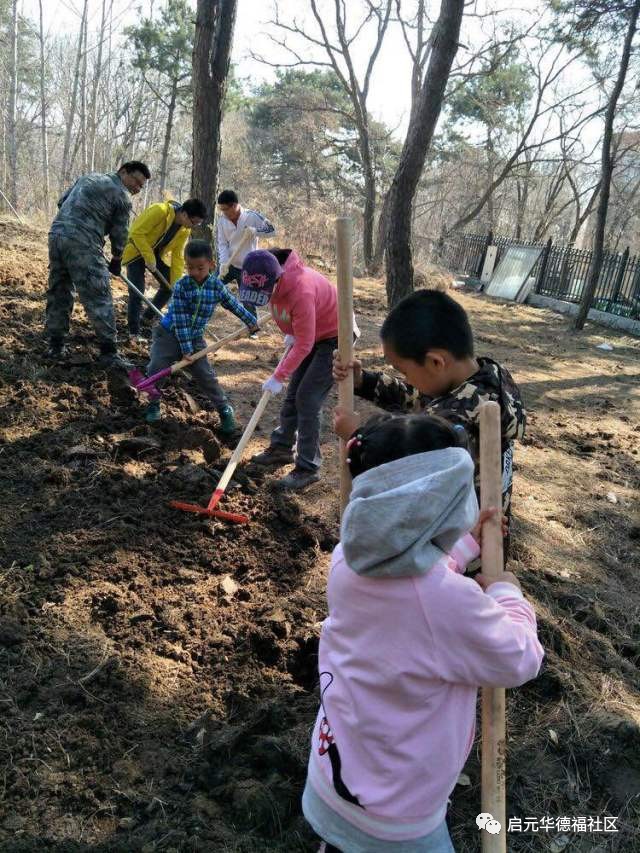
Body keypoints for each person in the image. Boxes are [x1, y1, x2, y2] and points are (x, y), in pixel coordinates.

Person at [302, 413, 544, 853]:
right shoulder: (447, 602)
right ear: (448, 503)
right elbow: (518, 657)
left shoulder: (346, 560)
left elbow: (411, 577)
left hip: (329, 781)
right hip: (396, 821)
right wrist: (509, 594)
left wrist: (462, 547)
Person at [333, 289, 526, 544]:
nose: (406, 378)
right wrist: (364, 381)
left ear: (436, 362)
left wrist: (357, 437)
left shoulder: (455, 423)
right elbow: (419, 396)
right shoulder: (486, 380)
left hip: (455, 549)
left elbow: (401, 464)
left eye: (403, 370)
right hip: (485, 540)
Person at [240, 248, 345, 490]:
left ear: (278, 279)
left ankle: (308, 468)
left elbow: (305, 344)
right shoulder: (268, 278)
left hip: (334, 337)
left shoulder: (301, 290)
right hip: (311, 333)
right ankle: (281, 448)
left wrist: (278, 376)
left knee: (307, 398)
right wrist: (291, 332)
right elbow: (288, 316)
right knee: (293, 394)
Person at [44, 160, 151, 369]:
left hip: (56, 235)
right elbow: (120, 235)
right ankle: (109, 352)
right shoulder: (122, 196)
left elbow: (62, 202)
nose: (137, 188)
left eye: (141, 186)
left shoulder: (88, 177)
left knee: (60, 290)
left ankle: (55, 345)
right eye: (136, 181)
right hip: (82, 242)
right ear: (123, 171)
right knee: (99, 295)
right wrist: (117, 260)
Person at [144, 240, 259, 432]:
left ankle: (224, 409)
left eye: (200, 267)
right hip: (169, 334)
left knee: (206, 376)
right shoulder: (182, 286)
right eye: (190, 267)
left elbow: (233, 304)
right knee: (157, 367)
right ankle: (153, 402)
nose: (195, 272)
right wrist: (186, 349)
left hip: (195, 337)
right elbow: (180, 320)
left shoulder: (216, 286)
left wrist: (250, 321)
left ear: (211, 265)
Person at [122, 197, 207, 338]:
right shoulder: (160, 211)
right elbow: (136, 233)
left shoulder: (184, 229)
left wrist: (176, 284)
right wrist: (148, 256)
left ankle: (147, 317)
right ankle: (133, 331)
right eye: (194, 222)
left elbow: (178, 256)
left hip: (155, 254)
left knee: (168, 288)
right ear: (185, 214)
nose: (193, 226)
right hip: (136, 250)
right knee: (137, 290)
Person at [216, 189, 276, 317]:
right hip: (230, 264)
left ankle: (253, 328)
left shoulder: (251, 216)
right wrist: (223, 263)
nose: (224, 213)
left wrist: (255, 231)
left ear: (234, 205)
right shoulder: (222, 220)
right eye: (221, 210)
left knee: (248, 300)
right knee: (211, 287)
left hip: (248, 267)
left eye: (225, 209)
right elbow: (222, 243)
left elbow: (272, 231)